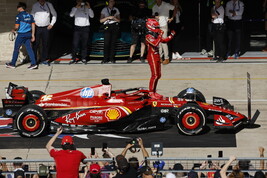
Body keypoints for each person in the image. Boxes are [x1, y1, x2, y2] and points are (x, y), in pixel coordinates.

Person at [145, 18, 175, 99]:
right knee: (154, 75)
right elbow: (155, 43)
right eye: (156, 27)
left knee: (158, 75)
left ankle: (154, 91)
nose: (158, 29)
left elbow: (164, 41)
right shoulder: (148, 36)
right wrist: (160, 34)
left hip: (157, 56)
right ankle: (151, 92)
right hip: (152, 57)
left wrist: (171, 35)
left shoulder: (155, 35)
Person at [6, 2, 37, 70]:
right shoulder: (30, 15)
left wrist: (13, 30)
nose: (17, 8)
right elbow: (33, 25)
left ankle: (13, 64)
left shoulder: (19, 16)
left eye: (18, 7)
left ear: (20, 8)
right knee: (29, 49)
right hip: (28, 34)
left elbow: (17, 26)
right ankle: (34, 63)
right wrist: (33, 35)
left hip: (21, 35)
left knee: (16, 49)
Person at [31, 0, 57, 65]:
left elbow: (54, 14)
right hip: (37, 28)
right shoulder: (35, 5)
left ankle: (44, 60)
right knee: (35, 44)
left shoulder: (49, 5)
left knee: (45, 44)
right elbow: (32, 16)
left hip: (46, 28)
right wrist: (33, 26)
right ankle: (34, 60)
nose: (41, 1)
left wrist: (51, 24)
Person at [69, 0, 94, 65]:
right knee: (75, 44)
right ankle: (73, 58)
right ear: (77, 2)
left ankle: (84, 58)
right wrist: (76, 7)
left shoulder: (87, 8)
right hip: (77, 28)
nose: (81, 3)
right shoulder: (74, 8)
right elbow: (71, 15)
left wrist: (89, 7)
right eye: (79, 1)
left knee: (84, 44)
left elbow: (92, 16)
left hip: (85, 28)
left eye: (82, 1)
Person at [152, 0, 176, 65]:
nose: (157, 0)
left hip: (164, 25)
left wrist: (172, 17)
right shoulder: (154, 7)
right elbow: (153, 16)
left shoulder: (166, 5)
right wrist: (155, 17)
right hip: (157, 26)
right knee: (158, 43)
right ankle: (160, 58)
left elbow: (175, 8)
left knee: (164, 42)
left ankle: (166, 58)